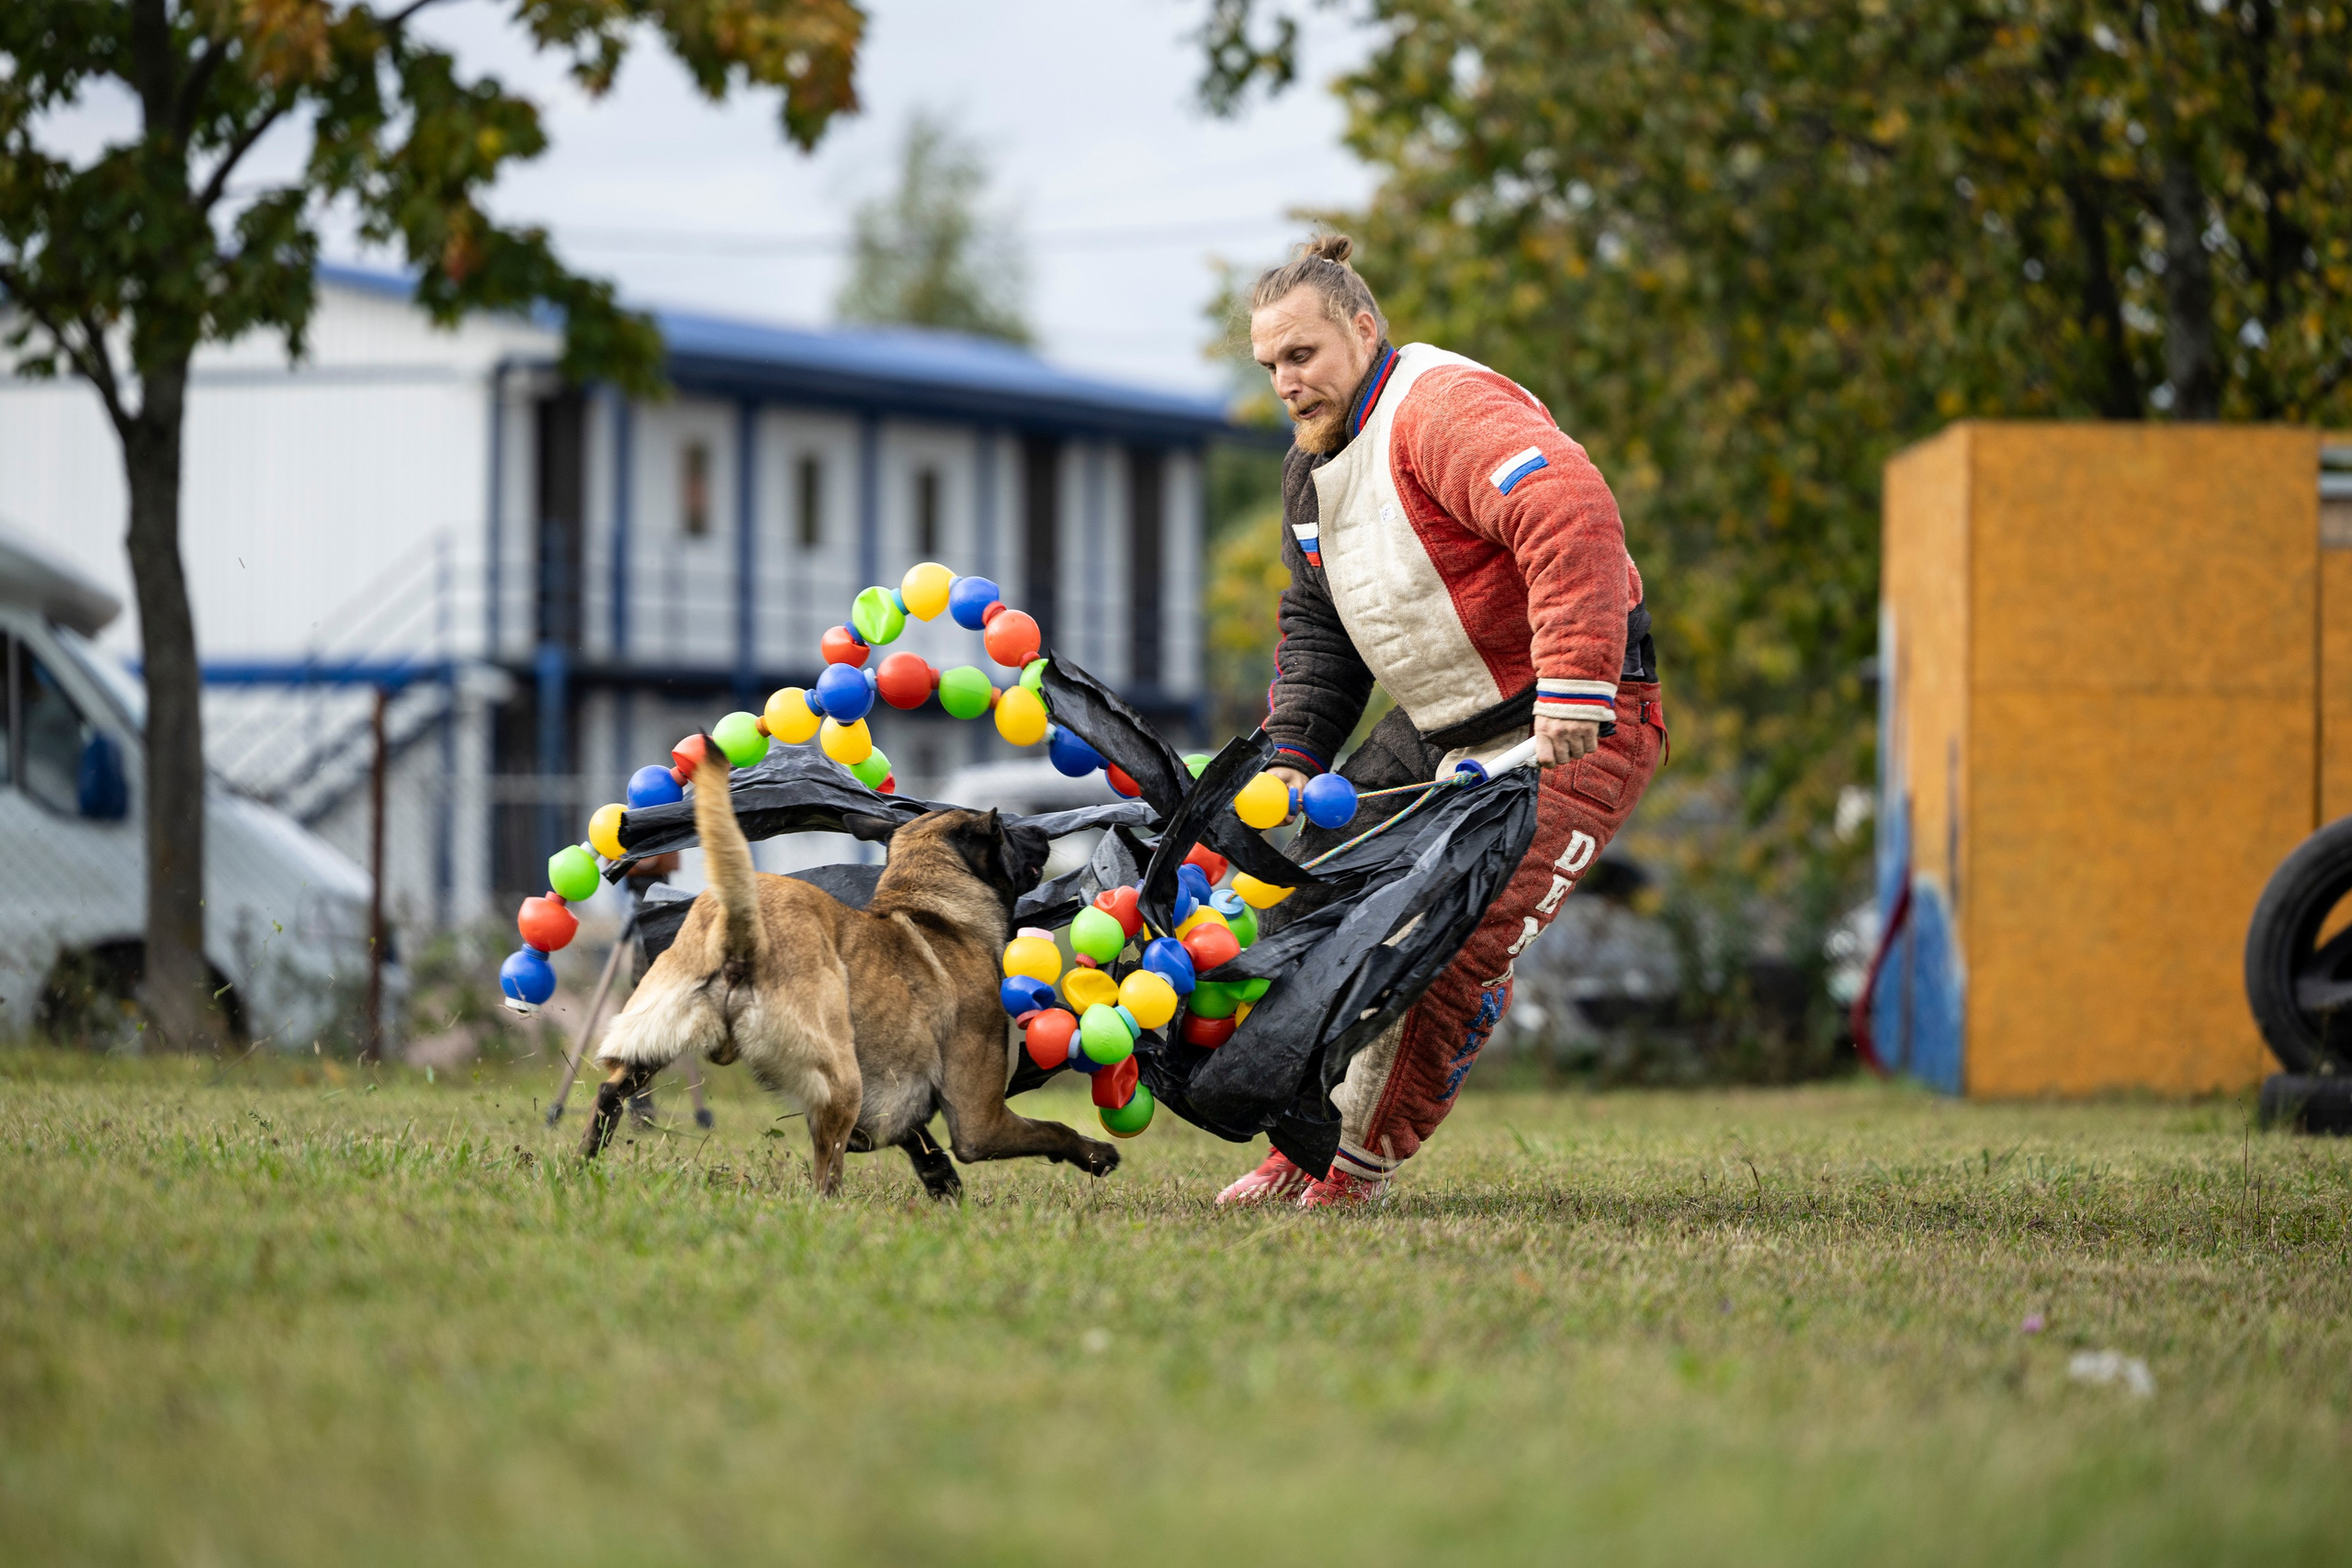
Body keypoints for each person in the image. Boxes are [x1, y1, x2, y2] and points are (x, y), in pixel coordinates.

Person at [1216, 234, 1667, 1209]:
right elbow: (1318, 632)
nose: (1286, 384)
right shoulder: (1309, 474)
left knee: (1451, 945)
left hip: (1581, 720)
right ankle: (1298, 1145)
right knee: (1306, 909)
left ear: (1364, 331)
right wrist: (1293, 757)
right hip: (1439, 729)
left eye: (1303, 357)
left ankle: (1352, 1172)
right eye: (1269, 368)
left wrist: (1575, 687)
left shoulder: (1440, 410)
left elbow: (1567, 509)